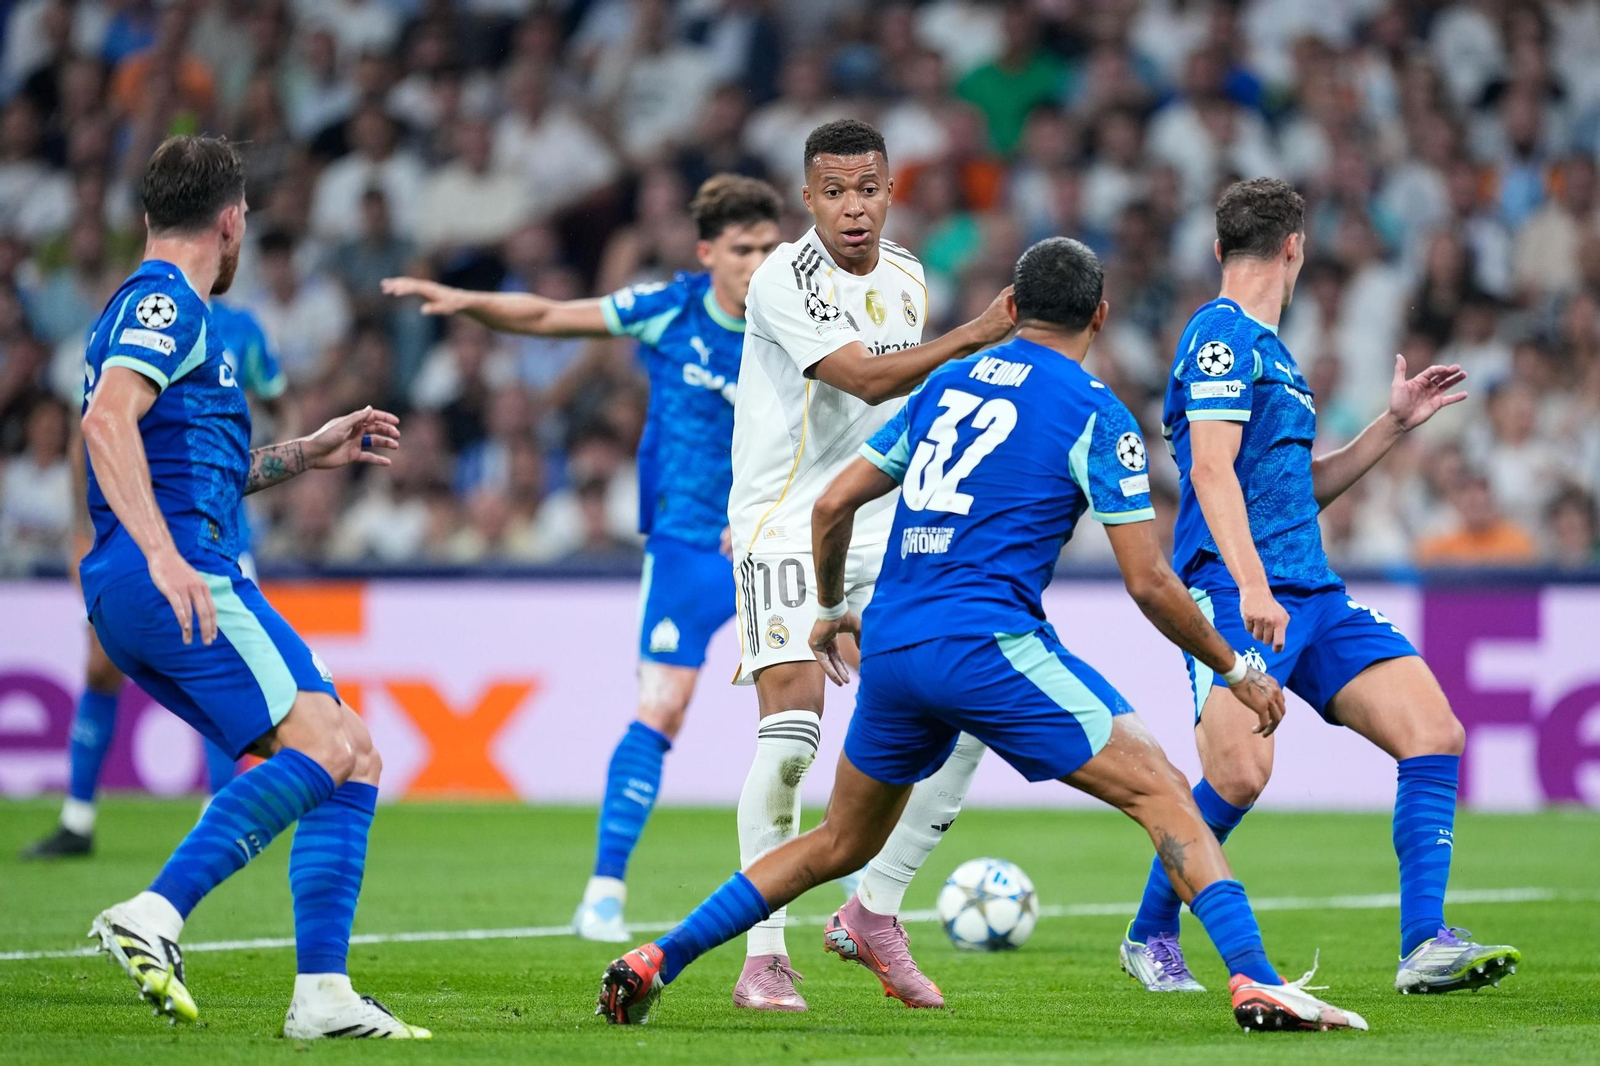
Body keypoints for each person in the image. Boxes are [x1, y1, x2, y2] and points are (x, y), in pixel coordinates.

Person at [596, 237, 1366, 1034]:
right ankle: (1256, 980)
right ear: (1100, 316)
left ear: (1014, 306)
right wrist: (1235, 666)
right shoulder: (1096, 411)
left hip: (894, 644)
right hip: (986, 644)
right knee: (1165, 792)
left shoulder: (944, 383)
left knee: (839, 840)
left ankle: (658, 957)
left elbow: (830, 505)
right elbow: (1149, 582)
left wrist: (828, 608)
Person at [1118, 177, 1521, 996]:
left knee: (1434, 732)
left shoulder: (1275, 354)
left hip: (1315, 594)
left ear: (1221, 246)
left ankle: (1424, 943)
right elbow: (1210, 470)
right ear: (1295, 247)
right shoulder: (1220, 336)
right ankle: (1150, 931)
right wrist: (1251, 584)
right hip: (1237, 591)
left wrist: (1391, 426)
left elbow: (1293, 491)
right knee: (1239, 776)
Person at [79, 135, 426, 1039]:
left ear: (150, 215)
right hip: (177, 572)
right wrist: (163, 553)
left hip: (158, 573)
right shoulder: (164, 302)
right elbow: (106, 421)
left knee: (353, 752)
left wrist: (305, 452)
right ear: (232, 223)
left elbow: (195, 467)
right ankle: (154, 913)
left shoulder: (175, 316)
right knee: (327, 746)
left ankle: (323, 996)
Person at [381, 174, 784, 942]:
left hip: (776, 541)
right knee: (662, 706)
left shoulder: (799, 323)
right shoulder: (669, 308)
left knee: (831, 693)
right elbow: (548, 315)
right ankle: (603, 891)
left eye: (770, 247)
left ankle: (855, 867)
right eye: (743, 249)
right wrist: (467, 301)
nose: (759, 263)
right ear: (708, 253)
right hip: (688, 545)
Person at [719, 118, 1012, 1012]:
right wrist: (978, 333)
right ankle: (764, 954)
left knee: (967, 707)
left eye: (870, 189)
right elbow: (868, 378)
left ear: (890, 192)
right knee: (793, 737)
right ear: (808, 198)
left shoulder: (909, 277)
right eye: (836, 192)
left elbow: (907, 408)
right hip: (783, 524)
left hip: (886, 528)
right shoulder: (783, 279)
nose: (854, 208)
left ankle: (873, 910)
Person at [23, 298, 298, 860]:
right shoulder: (133, 318)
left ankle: (216, 812)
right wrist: (81, 532)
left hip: (218, 537)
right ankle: (77, 819)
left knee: (217, 670)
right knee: (101, 665)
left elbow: (281, 405)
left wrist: (285, 467)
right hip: (132, 535)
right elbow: (89, 435)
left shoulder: (244, 330)